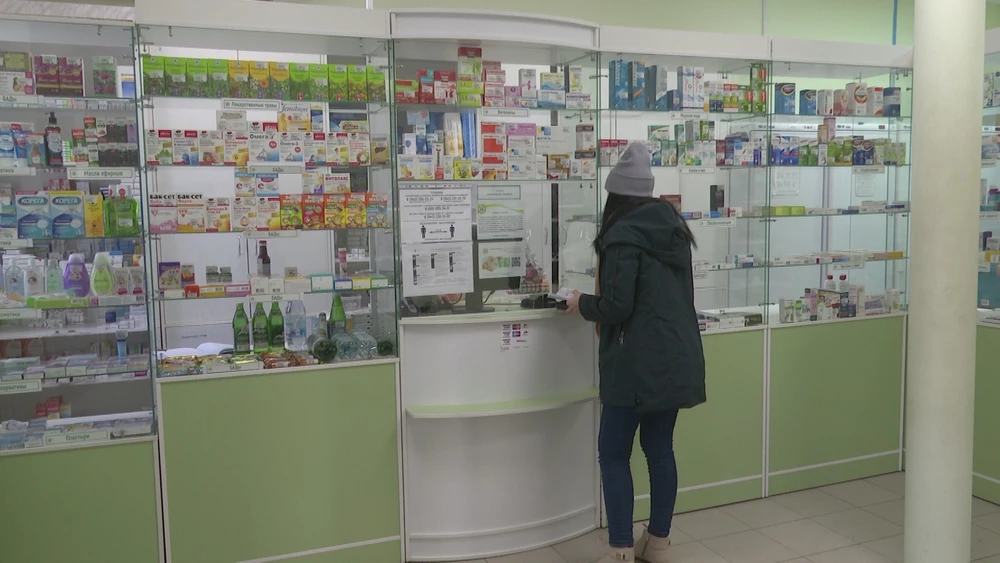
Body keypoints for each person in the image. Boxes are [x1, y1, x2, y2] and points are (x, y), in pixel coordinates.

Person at [565, 142, 706, 563]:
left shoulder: (621, 235)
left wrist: (580, 303)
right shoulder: (673, 229)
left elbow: (617, 306)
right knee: (660, 449)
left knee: (613, 452)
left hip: (634, 362)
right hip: (675, 358)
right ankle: (658, 543)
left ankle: (621, 550)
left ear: (615, 196)